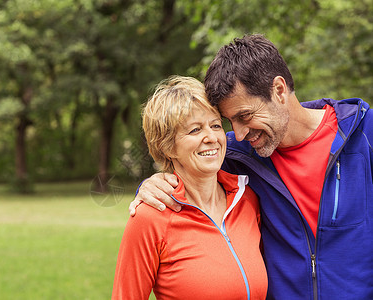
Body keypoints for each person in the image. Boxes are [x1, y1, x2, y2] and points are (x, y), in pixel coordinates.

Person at [130, 34, 373, 300]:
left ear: (279, 90)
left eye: (245, 116)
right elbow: (188, 165)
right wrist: (151, 185)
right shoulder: (237, 155)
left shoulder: (364, 135)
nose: (240, 133)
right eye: (230, 121)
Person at [112, 76, 268, 299]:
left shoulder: (247, 200)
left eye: (215, 125)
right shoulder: (149, 218)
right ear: (168, 147)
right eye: (195, 130)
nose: (211, 137)